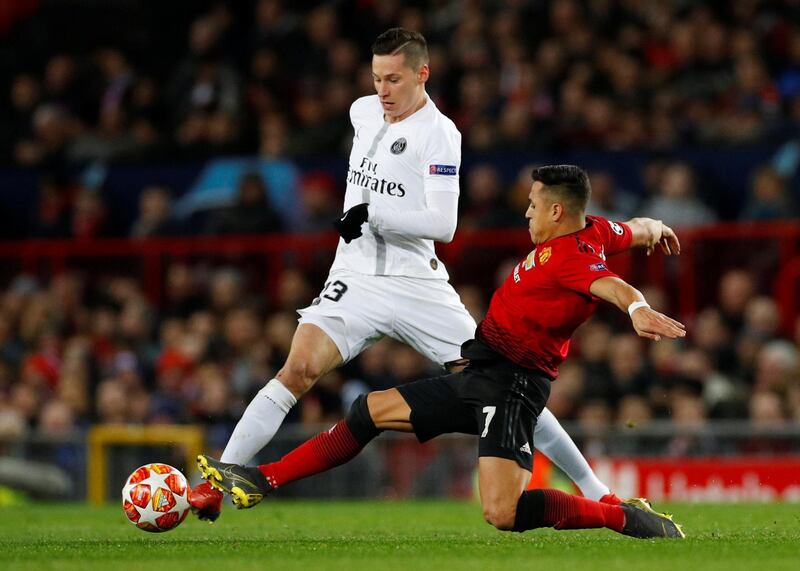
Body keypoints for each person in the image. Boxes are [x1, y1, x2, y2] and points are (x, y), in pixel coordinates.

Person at [189, 30, 621, 520]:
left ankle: (596, 488)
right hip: (355, 276)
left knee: (501, 382)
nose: (383, 90)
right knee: (298, 368)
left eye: (393, 79)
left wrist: (372, 214)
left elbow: (444, 225)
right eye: (376, 78)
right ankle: (216, 481)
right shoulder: (362, 111)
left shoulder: (440, 135)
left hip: (416, 283)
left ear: (423, 74)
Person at [197, 165, 686, 539]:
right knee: (368, 411)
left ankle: (619, 518)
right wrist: (656, 227)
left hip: (513, 387)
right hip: (481, 372)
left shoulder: (573, 259)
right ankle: (265, 479)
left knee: (503, 513)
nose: (527, 212)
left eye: (534, 205)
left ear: (557, 212)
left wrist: (637, 308)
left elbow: (611, 284)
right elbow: (636, 228)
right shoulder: (598, 230)